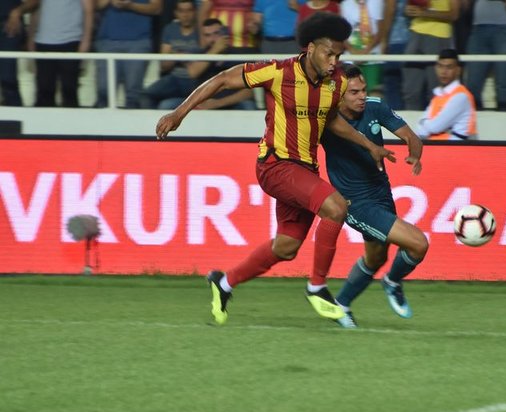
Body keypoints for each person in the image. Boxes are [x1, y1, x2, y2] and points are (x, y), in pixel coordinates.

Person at [155, 12, 395, 325]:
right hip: (275, 165)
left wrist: (368, 145)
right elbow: (222, 79)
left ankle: (224, 282)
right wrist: (178, 113)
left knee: (286, 247)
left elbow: (330, 120)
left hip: (305, 171)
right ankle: (317, 287)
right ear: (311, 48)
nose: (334, 62)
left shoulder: (335, 83)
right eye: (329, 54)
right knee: (336, 207)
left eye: (338, 55)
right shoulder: (278, 71)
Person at [321, 64, 427, 328]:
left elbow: (412, 137)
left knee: (376, 258)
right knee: (418, 244)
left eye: (363, 90)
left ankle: (341, 305)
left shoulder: (375, 107)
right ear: (339, 94)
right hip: (355, 203)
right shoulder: (325, 119)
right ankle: (392, 281)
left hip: (381, 193)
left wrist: (414, 154)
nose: (361, 97)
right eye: (354, 92)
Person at [94, 0, 163, 109]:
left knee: (133, 93)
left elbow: (156, 8)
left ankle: (133, 120)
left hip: (138, 42)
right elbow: (94, 5)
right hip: (107, 41)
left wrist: (130, 5)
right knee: (104, 91)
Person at [29, 0, 94, 107]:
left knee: (69, 89)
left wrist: (86, 40)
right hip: (43, 41)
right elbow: (35, 7)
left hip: (71, 40)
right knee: (44, 90)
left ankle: (71, 117)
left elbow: (88, 9)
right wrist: (31, 37)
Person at [140, 0, 201, 109]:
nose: (185, 15)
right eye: (181, 11)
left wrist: (175, 55)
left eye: (189, 10)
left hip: (195, 82)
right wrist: (181, 57)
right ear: (175, 13)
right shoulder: (170, 29)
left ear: (195, 12)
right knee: (145, 95)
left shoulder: (201, 31)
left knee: (165, 106)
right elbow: (164, 65)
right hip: (175, 78)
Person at [402, 0, 460, 110]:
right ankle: (410, 119)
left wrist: (425, 13)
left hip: (439, 36)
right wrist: (409, 10)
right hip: (415, 33)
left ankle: (437, 118)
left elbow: (454, 14)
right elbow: (409, 7)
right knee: (410, 90)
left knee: (435, 90)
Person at [464, 0, 506, 111]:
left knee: (503, 81)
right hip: (478, 28)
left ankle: (505, 112)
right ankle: (473, 114)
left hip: (505, 28)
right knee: (473, 81)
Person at [416, 48, 477, 140]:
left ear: (458, 70)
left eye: (449, 67)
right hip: (437, 146)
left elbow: (434, 127)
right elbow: (420, 131)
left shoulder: (461, 96)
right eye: (440, 66)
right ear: (436, 68)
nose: (443, 72)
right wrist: (429, 126)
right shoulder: (437, 95)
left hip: (457, 147)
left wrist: (424, 123)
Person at [1, 0, 38, 106]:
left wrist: (17, 11)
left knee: (7, 77)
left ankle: (15, 110)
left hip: (8, 26)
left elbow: (34, 2)